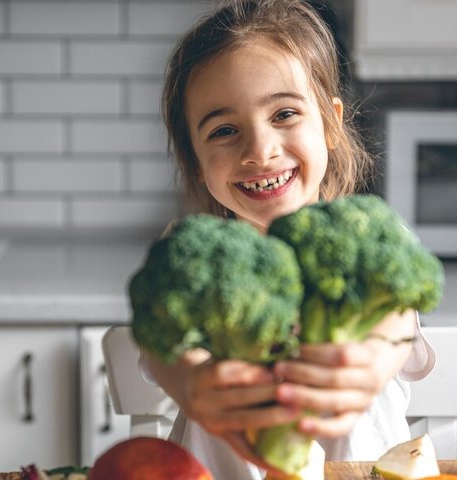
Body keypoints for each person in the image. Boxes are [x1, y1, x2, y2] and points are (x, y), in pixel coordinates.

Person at [138, 1, 435, 478]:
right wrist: (192, 379)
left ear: (332, 124)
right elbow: (161, 347)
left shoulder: (369, 240)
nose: (260, 150)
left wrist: (372, 359)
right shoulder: (193, 256)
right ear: (195, 160)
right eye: (225, 130)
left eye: (284, 114)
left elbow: (394, 321)